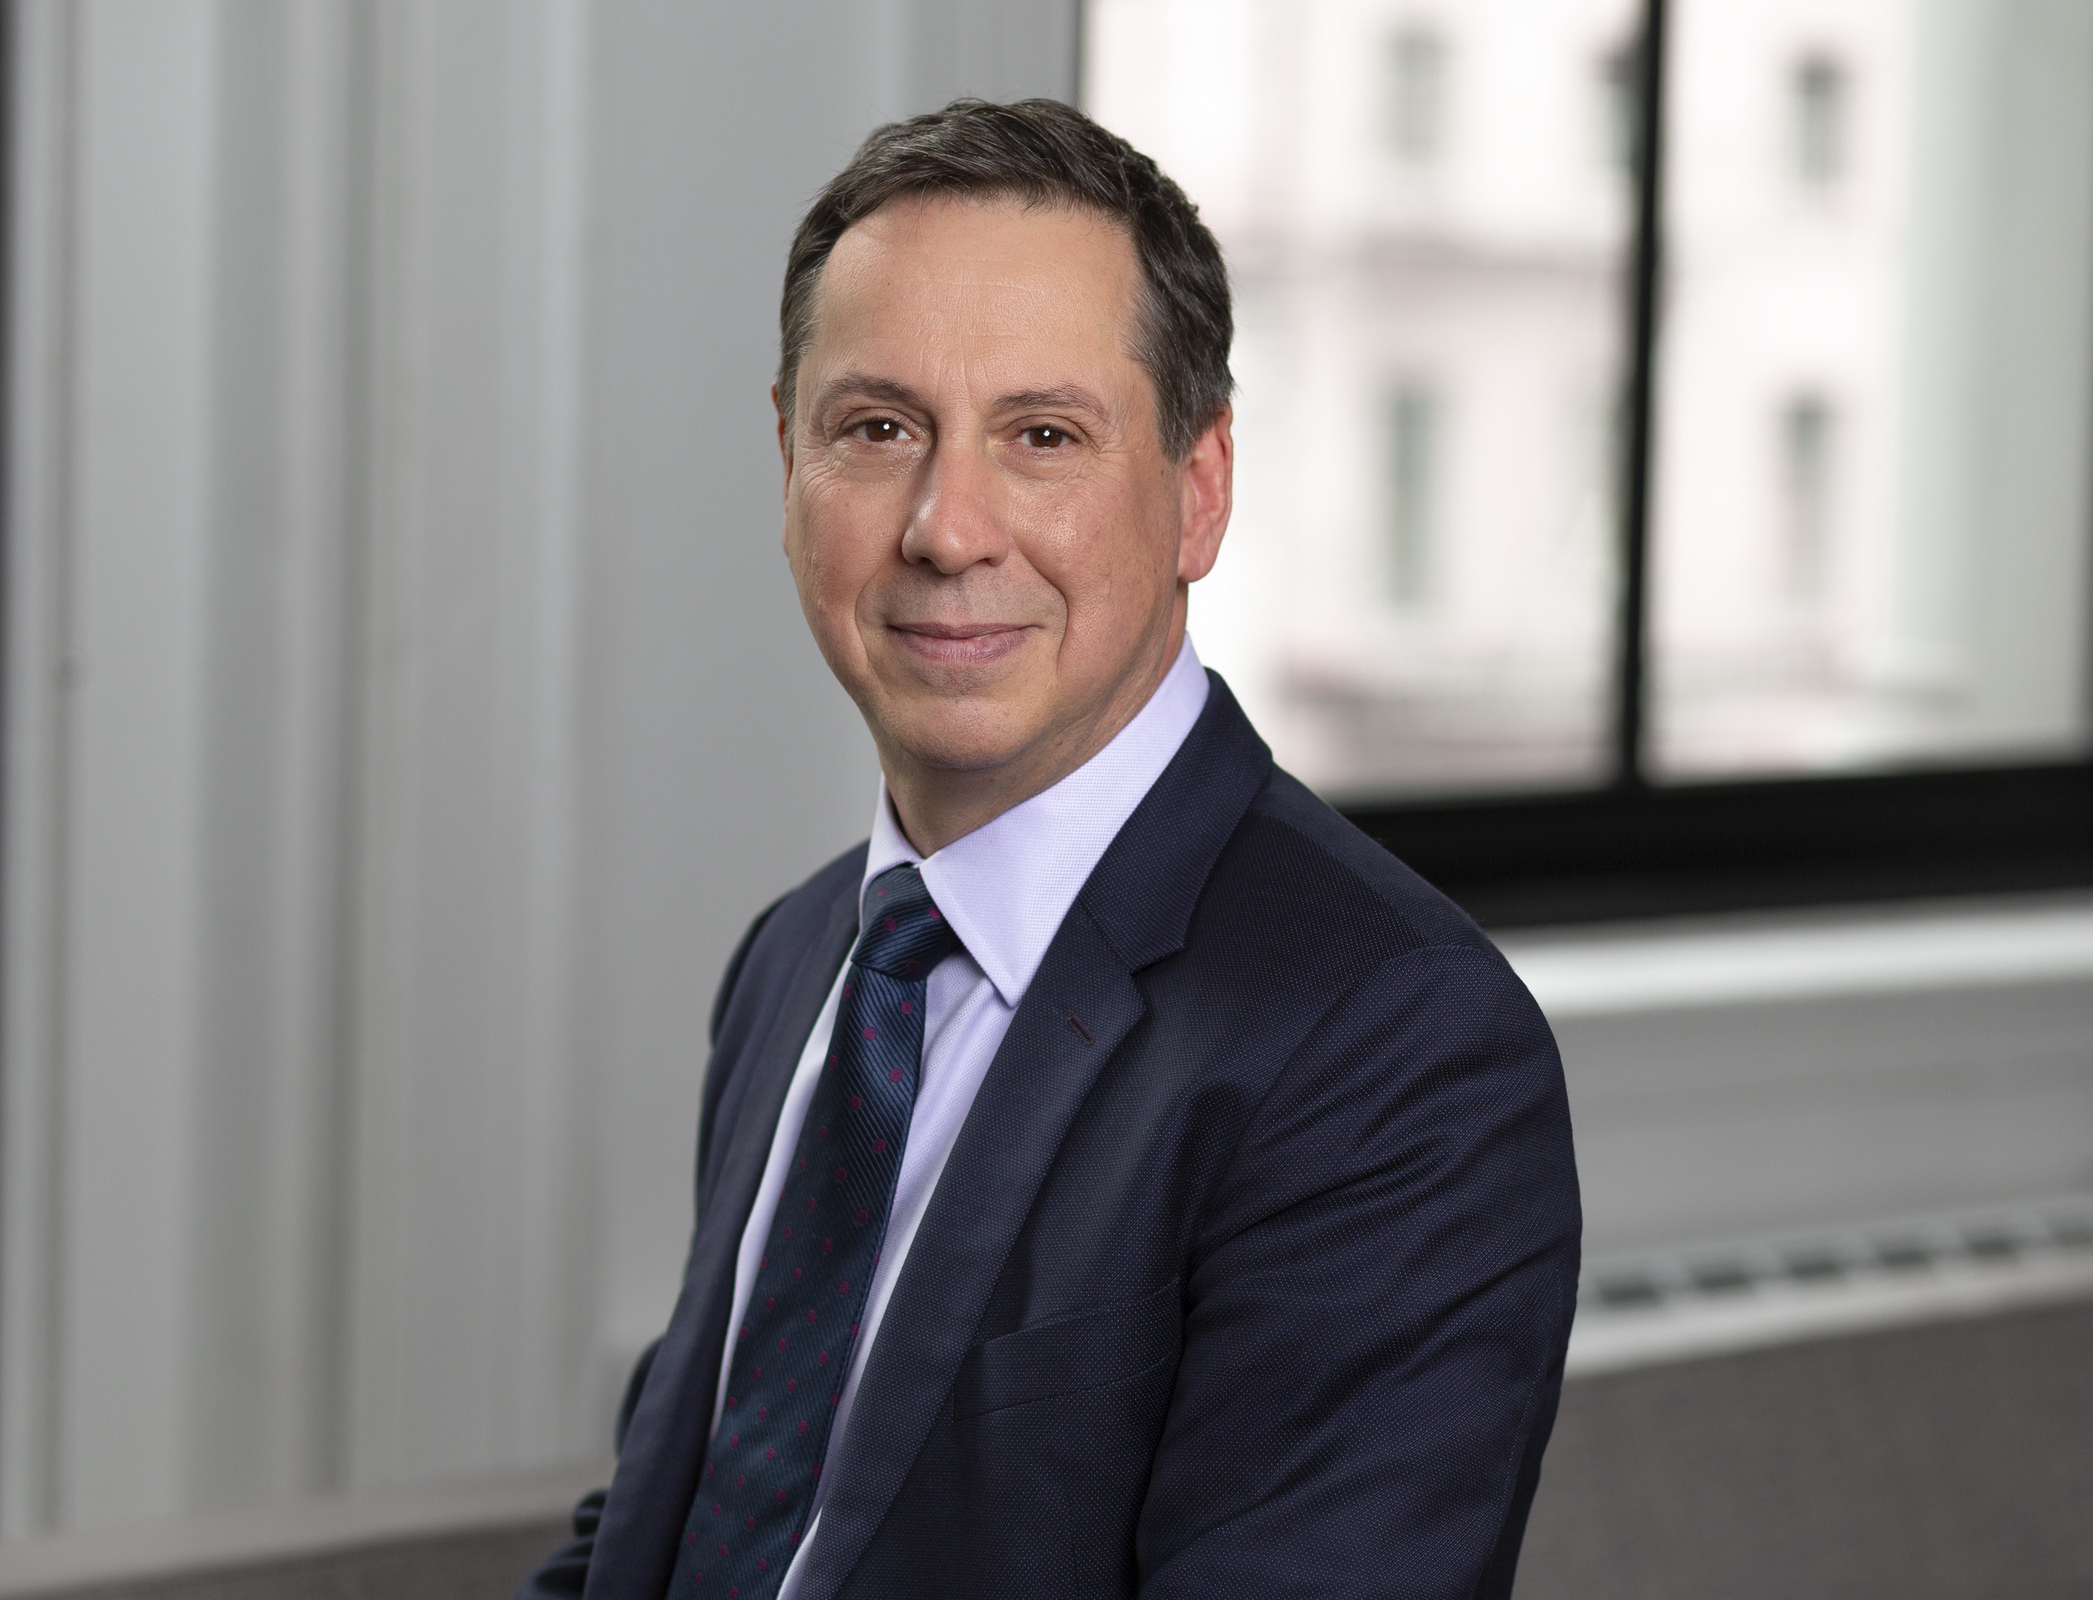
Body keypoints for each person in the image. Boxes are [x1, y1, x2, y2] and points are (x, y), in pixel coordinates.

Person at [522, 97, 1580, 1600]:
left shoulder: (1395, 1047)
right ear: (788, 461)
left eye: (1044, 436)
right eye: (879, 429)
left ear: (1198, 490)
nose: (949, 528)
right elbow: (673, 1538)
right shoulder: (802, 958)